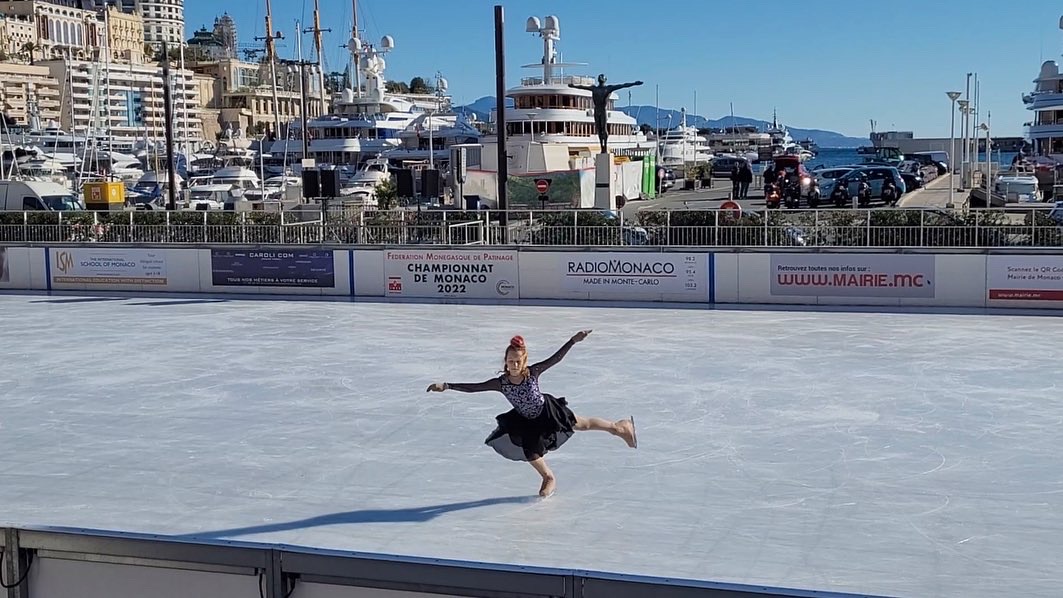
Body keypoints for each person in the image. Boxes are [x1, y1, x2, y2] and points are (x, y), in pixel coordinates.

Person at [426, 330, 637, 497]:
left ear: (524, 361)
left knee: (583, 424)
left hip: (548, 413)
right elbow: (475, 387)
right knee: (531, 452)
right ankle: (548, 478)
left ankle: (619, 428)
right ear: (505, 362)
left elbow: (555, 359)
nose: (515, 365)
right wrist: (446, 385)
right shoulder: (501, 383)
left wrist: (573, 340)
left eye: (518, 361)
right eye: (511, 361)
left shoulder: (533, 373)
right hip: (526, 421)